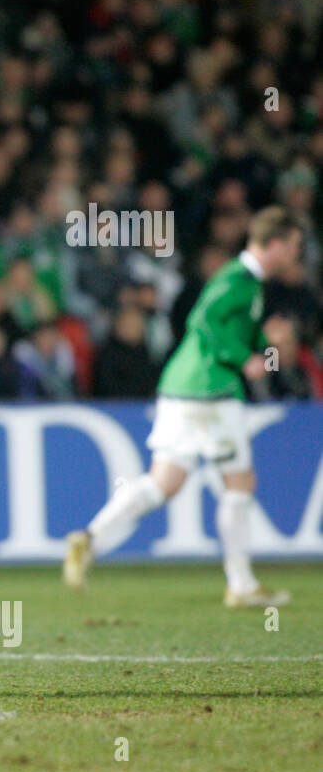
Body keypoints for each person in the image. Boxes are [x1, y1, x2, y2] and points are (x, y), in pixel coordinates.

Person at [63, 206, 301, 608]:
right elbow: (203, 320)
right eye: (294, 246)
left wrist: (265, 341)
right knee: (240, 484)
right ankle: (241, 585)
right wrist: (245, 358)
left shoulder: (242, 280)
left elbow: (229, 325)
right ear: (275, 244)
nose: (298, 254)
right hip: (210, 389)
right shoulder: (241, 279)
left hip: (180, 386)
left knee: (163, 483)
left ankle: (90, 538)